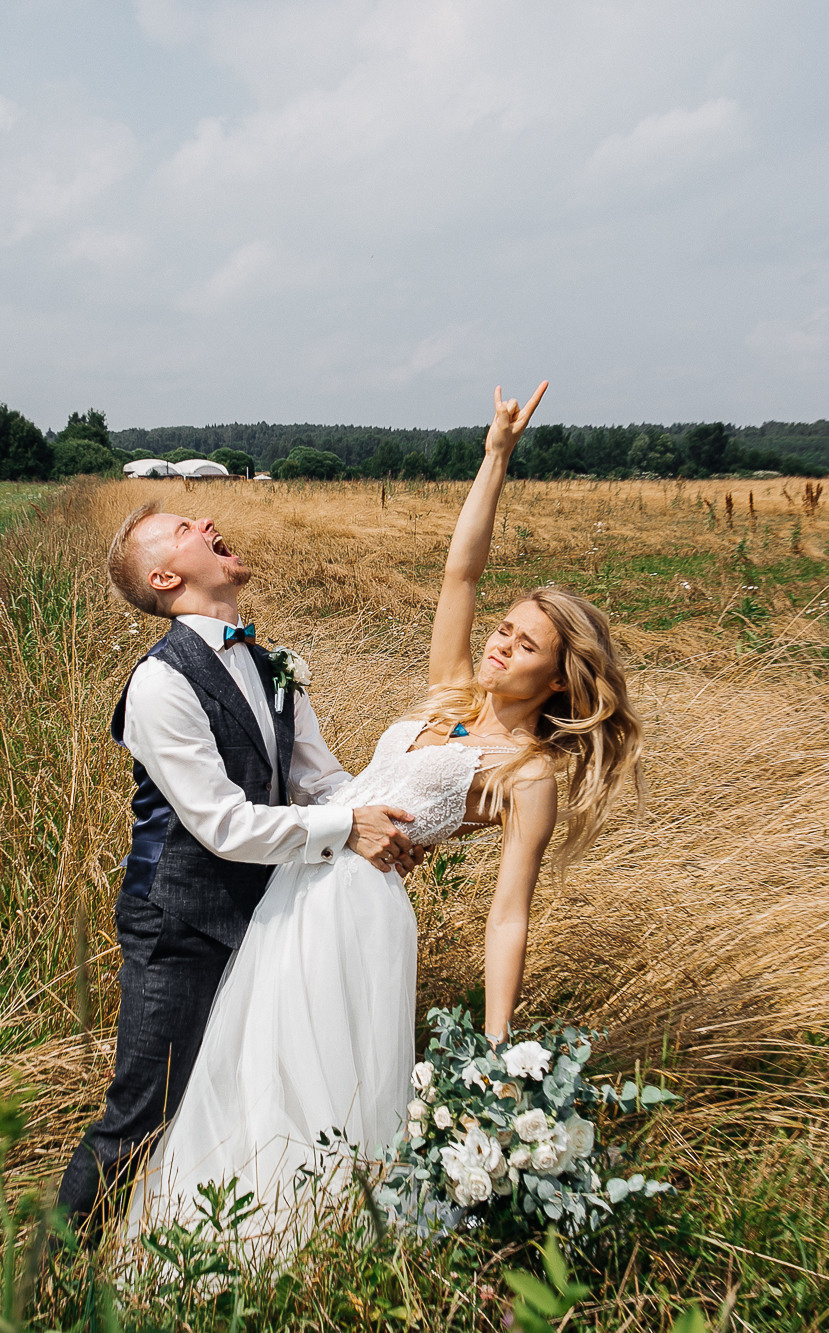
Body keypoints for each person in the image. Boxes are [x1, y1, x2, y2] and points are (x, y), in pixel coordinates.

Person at [123, 382, 644, 1252]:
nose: (499, 642)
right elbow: (460, 571)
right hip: (301, 874)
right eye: (504, 628)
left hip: (357, 902)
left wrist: (498, 1040)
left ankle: (312, 1241)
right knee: (258, 1061)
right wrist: (495, 458)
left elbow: (509, 911)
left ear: (559, 679)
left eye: (524, 644)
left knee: (321, 1072)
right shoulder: (450, 694)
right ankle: (217, 1235)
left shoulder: (528, 774)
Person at [56, 498, 424, 1232]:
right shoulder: (160, 683)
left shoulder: (272, 663)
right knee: (142, 1111)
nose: (202, 521)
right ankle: (42, 1277)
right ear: (163, 576)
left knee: (237, 1088)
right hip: (179, 924)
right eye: (181, 528)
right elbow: (222, 823)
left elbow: (320, 781)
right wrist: (347, 826)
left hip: (265, 917)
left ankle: (209, 1239)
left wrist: (396, 808)